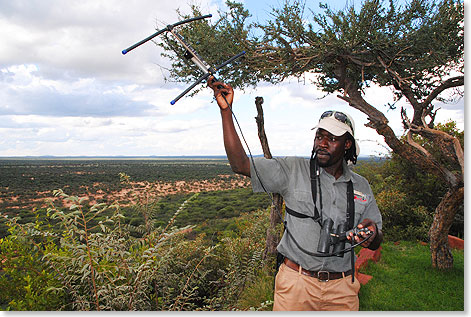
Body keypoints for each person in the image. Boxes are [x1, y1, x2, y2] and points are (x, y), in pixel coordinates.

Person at [208, 77, 383, 311]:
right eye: (319, 136)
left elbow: (376, 239)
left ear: (347, 145)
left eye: (332, 138)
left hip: (342, 289)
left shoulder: (361, 186)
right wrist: (226, 112)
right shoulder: (292, 170)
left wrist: (370, 233)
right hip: (296, 284)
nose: (322, 143)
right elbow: (240, 164)